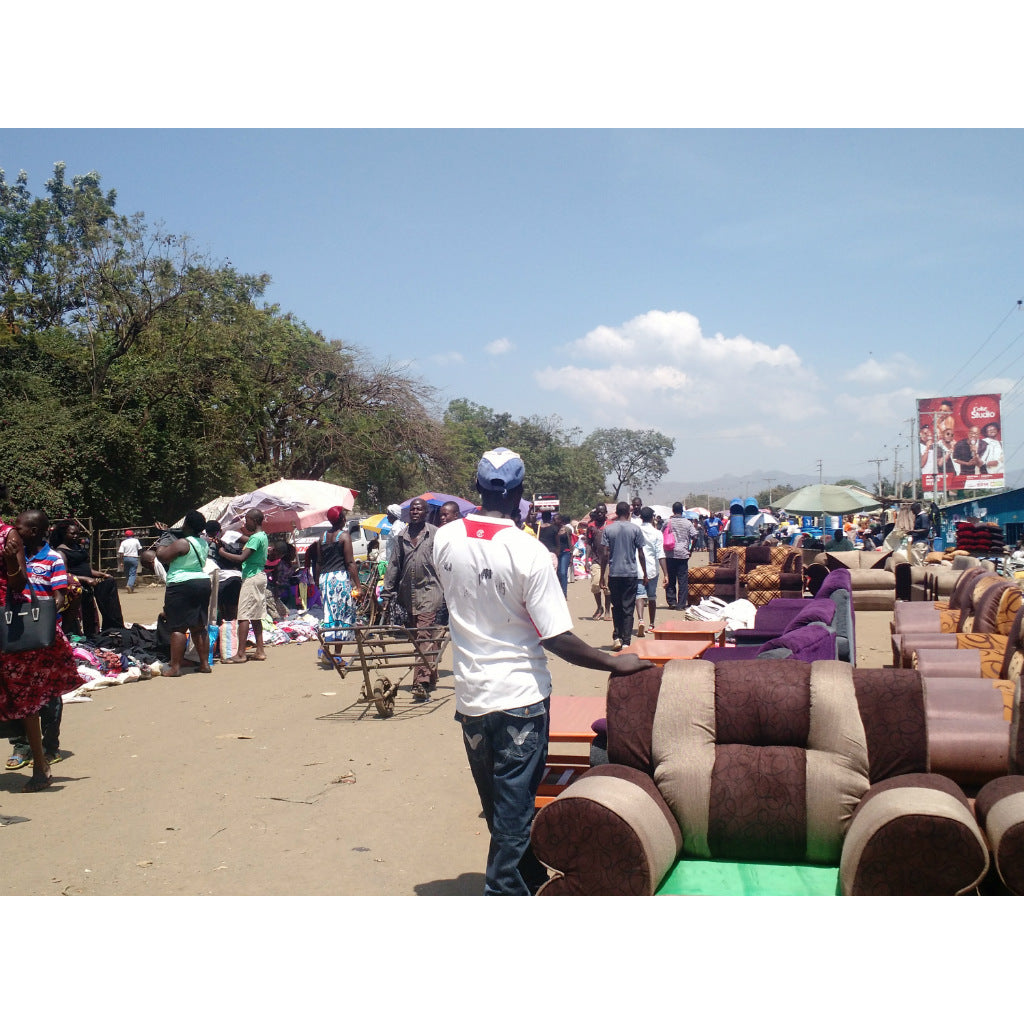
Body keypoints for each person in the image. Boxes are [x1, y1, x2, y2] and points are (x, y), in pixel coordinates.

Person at [433, 447, 652, 895]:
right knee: (513, 811)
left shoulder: (444, 538)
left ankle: (529, 877)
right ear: (519, 495)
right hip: (520, 698)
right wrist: (614, 661)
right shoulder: (529, 552)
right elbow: (556, 637)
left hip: (471, 697)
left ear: (477, 489)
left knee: (497, 806)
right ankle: (505, 891)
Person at [0, 507, 80, 792]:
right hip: (17, 625)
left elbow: (56, 595)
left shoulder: (50, 558)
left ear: (32, 532)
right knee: (25, 697)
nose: (16, 529)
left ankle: (48, 748)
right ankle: (24, 748)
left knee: (42, 695)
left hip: (31, 630)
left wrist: (45, 618)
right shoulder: (18, 545)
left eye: (21, 527)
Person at [380, 497, 443, 699]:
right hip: (409, 595)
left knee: (423, 634)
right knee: (420, 637)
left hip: (430, 591)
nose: (415, 512)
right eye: (413, 509)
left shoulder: (435, 534)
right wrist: (387, 593)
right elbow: (394, 566)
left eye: (419, 509)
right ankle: (430, 675)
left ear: (425, 513)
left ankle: (420, 683)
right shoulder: (402, 536)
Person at [155, 510, 213, 676]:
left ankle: (175, 667)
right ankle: (204, 664)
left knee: (178, 627)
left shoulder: (182, 543)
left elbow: (162, 556)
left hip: (181, 584)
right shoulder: (203, 542)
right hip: (202, 582)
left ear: (187, 524)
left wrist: (164, 537)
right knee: (199, 626)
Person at [216, 508, 269, 664]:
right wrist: (237, 537)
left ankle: (240, 654)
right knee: (256, 615)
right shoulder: (262, 536)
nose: (245, 523)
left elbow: (241, 558)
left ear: (254, 520)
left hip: (251, 577)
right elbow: (248, 541)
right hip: (259, 575)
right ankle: (260, 650)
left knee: (244, 615)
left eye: (247, 520)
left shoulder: (255, 538)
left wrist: (222, 552)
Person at [313, 506, 362, 668]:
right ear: (341, 519)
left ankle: (325, 649)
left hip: (325, 579)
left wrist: (318, 583)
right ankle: (336, 655)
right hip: (339, 580)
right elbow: (350, 563)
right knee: (341, 616)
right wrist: (358, 586)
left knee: (330, 615)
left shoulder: (323, 537)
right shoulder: (344, 537)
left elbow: (318, 563)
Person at [602, 500, 647, 651]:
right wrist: (645, 573)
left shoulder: (608, 529)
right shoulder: (635, 529)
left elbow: (605, 554)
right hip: (630, 574)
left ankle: (617, 637)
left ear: (616, 513)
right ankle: (626, 640)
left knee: (617, 606)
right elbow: (641, 553)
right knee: (628, 607)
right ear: (628, 513)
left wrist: (602, 574)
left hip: (614, 573)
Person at [634, 506, 666, 637]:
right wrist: (666, 573)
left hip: (638, 568)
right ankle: (652, 624)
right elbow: (660, 554)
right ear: (652, 517)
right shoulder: (657, 533)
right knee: (652, 597)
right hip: (652, 569)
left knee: (639, 595)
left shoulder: (636, 531)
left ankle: (641, 620)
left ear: (641, 517)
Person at [663, 502, 699, 609]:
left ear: (673, 510)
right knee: (682, 580)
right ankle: (681, 604)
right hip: (683, 554)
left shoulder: (667, 522)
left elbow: (662, 534)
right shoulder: (687, 523)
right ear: (682, 511)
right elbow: (695, 536)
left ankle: (672, 601)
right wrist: (691, 550)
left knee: (671, 579)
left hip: (670, 554)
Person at [585, 503, 609, 620]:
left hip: (609, 561)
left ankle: (608, 610)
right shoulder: (591, 526)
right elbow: (588, 543)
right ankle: (599, 607)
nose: (600, 514)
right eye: (598, 512)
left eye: (602, 512)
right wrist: (586, 560)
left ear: (606, 513)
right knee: (595, 584)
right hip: (596, 559)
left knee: (607, 587)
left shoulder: (610, 525)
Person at [553, 512, 574, 597]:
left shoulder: (567, 530)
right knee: (557, 573)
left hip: (565, 552)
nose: (555, 521)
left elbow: (570, 543)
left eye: (557, 519)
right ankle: (557, 592)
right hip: (556, 554)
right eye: (554, 519)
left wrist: (571, 556)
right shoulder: (553, 529)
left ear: (561, 520)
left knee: (563, 573)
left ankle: (564, 593)